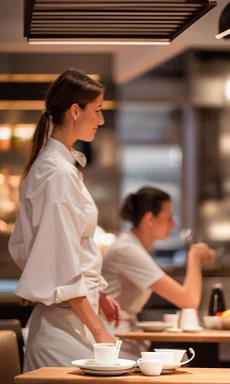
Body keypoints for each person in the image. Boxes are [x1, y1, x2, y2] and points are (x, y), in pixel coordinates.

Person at [8, 68, 121, 372]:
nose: (101, 120)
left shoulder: (58, 167)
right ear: (75, 111)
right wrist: (100, 332)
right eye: (97, 111)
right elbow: (63, 267)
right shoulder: (57, 173)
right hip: (64, 333)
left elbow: (39, 251)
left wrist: (98, 291)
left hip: (70, 321)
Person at [102, 187, 215, 359]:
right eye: (169, 218)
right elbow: (189, 300)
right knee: (188, 361)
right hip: (114, 339)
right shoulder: (127, 249)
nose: (173, 224)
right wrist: (194, 258)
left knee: (185, 360)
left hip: (124, 335)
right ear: (149, 218)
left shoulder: (134, 246)